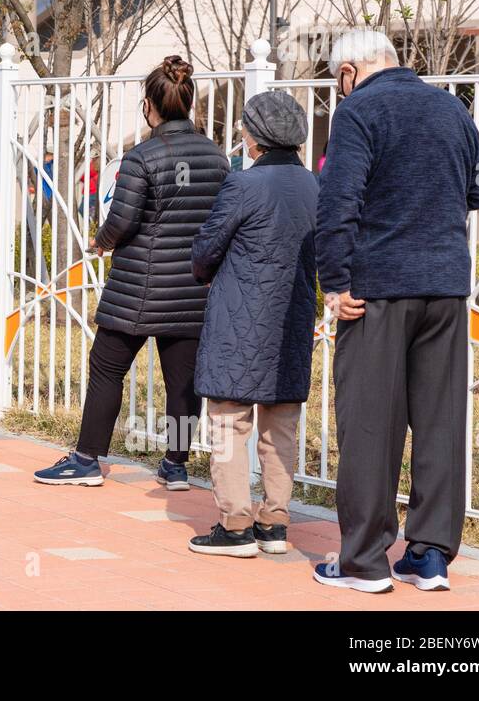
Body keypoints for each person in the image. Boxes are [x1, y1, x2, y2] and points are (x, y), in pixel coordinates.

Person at [313, 30, 479, 594]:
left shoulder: (358, 112)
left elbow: (338, 201)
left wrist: (335, 282)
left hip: (378, 290)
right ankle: (430, 555)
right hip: (445, 288)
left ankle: (364, 561)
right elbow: (477, 194)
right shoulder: (453, 109)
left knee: (369, 423)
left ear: (347, 72)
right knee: (439, 422)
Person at [34, 56, 228, 489]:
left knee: (106, 367)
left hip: (138, 288)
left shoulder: (141, 158)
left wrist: (100, 241)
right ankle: (175, 464)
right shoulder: (216, 158)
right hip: (192, 288)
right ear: (189, 101)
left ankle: (86, 460)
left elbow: (122, 221)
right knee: (183, 383)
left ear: (148, 106)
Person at [186, 91, 318, 558]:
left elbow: (206, 250)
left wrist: (203, 269)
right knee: (280, 424)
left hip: (239, 320)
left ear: (255, 137)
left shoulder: (243, 186)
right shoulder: (314, 186)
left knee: (228, 421)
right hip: (293, 319)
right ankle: (276, 522)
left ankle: (236, 523)